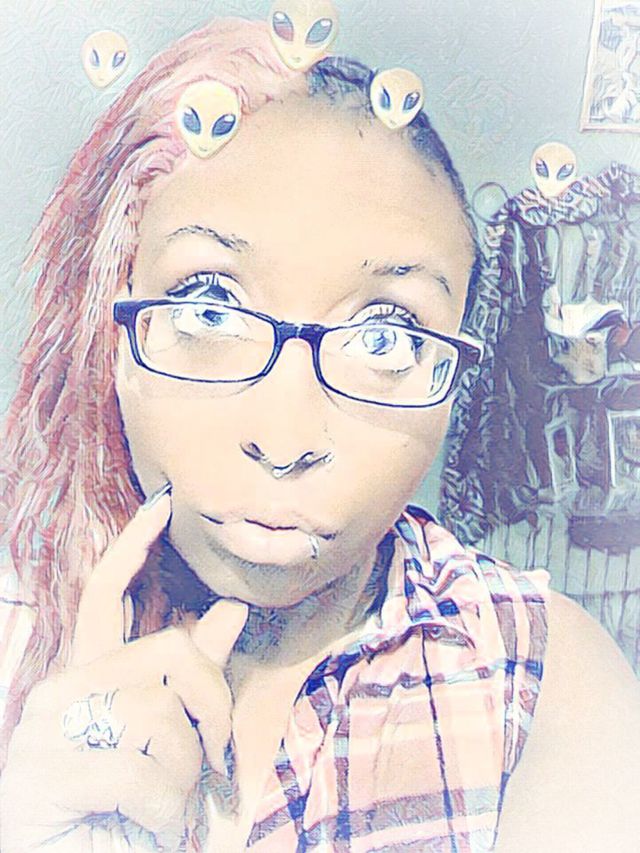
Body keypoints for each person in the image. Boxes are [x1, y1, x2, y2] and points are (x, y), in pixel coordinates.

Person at [0, 14, 638, 853]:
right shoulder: (12, 630)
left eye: (387, 337)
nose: (285, 436)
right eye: (209, 306)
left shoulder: (541, 680)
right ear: (113, 338)